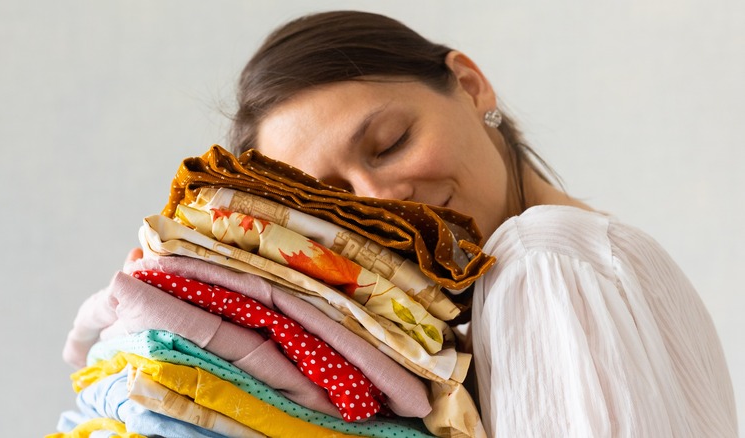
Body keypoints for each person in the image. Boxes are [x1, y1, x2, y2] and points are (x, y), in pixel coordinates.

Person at [217, 10, 738, 437]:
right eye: (333, 200)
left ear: (470, 85)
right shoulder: (579, 254)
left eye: (391, 142)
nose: (381, 201)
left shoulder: (541, 262)